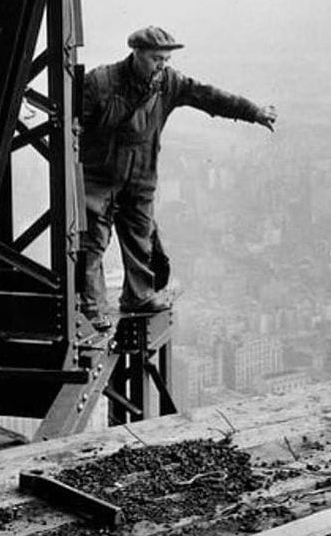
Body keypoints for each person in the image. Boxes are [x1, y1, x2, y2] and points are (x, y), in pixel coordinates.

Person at [78, 26, 276, 330]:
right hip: (99, 177)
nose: (162, 65)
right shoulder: (102, 81)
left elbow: (209, 97)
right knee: (92, 242)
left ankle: (139, 296)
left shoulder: (168, 83)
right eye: (156, 58)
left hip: (140, 175)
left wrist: (253, 112)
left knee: (140, 237)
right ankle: (91, 307)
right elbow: (74, 122)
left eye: (165, 60)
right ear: (137, 53)